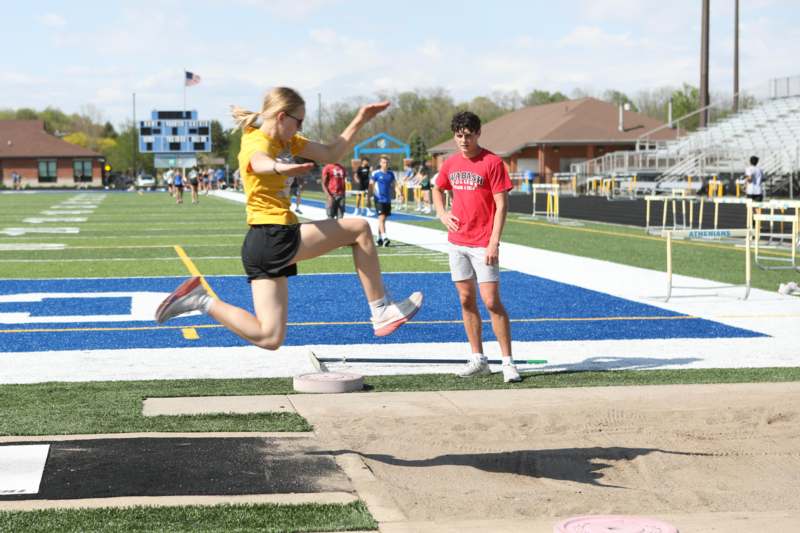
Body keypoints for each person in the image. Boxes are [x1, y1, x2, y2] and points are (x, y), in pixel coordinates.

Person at [155, 86, 423, 348]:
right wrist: (281, 168)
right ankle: (381, 310)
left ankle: (200, 301)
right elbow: (259, 162)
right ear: (282, 117)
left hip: (261, 245)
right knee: (360, 228)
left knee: (269, 337)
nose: (300, 128)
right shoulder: (256, 141)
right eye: (299, 122)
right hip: (274, 235)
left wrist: (360, 120)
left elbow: (331, 153)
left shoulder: (288, 140)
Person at [432, 111, 521, 383]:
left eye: (468, 135)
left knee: (492, 301)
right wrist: (442, 213)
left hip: (483, 242)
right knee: (465, 300)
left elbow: (502, 206)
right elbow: (437, 188)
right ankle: (478, 358)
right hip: (457, 242)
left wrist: (494, 241)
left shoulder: (492, 162)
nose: (463, 140)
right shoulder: (450, 163)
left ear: (478, 133)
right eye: (459, 136)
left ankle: (507, 362)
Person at [371, 155, 396, 247]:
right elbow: (371, 185)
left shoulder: (391, 174)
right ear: (380, 163)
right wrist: (371, 196)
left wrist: (399, 193)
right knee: (381, 218)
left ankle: (378, 238)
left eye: (386, 162)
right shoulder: (375, 173)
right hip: (379, 199)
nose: (385, 164)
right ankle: (385, 238)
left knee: (383, 219)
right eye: (383, 162)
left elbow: (394, 185)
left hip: (387, 199)